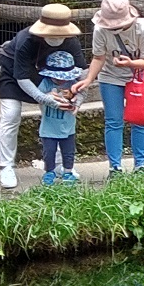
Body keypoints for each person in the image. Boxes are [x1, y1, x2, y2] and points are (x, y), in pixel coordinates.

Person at [0, 5, 87, 189]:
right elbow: (22, 77)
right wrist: (43, 98)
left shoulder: (71, 42)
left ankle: (59, 165)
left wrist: (78, 97)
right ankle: (6, 166)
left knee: (55, 117)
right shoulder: (26, 39)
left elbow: (82, 73)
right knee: (11, 114)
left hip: (53, 79)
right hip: (14, 75)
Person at [79, 0, 144, 176]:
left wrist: (129, 64)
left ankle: (141, 164)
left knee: (140, 120)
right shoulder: (100, 29)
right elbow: (98, 57)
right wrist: (89, 79)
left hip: (137, 77)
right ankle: (115, 167)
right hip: (110, 77)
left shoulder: (142, 27)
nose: (114, 28)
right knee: (113, 121)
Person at [36, 52, 86, 186]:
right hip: (48, 128)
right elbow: (39, 96)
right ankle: (49, 172)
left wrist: (75, 101)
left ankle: (68, 172)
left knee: (68, 152)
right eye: (57, 78)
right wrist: (48, 97)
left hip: (68, 127)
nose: (61, 81)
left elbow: (81, 94)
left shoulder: (73, 84)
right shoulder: (46, 83)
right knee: (49, 152)